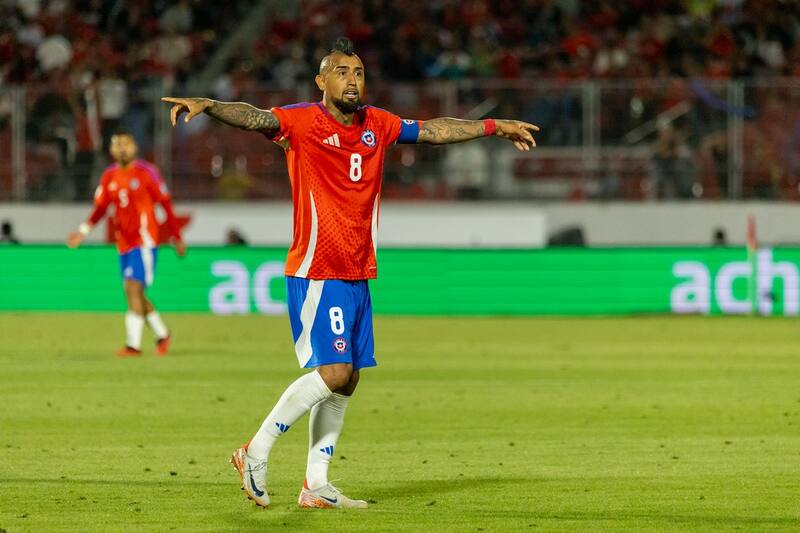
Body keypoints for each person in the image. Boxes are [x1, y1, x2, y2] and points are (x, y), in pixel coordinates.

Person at [162, 37, 538, 510]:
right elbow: (255, 116)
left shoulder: (376, 124)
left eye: (358, 72)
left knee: (350, 378)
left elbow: (435, 129)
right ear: (321, 81)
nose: (352, 80)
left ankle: (316, 485)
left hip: (358, 271)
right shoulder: (302, 122)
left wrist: (493, 125)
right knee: (334, 371)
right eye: (341, 72)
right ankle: (254, 452)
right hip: (319, 268)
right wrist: (211, 105)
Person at [67, 132, 186, 357]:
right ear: (112, 150)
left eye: (126, 144)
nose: (122, 149)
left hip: (145, 240)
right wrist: (82, 232)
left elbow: (166, 205)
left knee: (132, 287)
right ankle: (162, 334)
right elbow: (101, 209)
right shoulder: (109, 175)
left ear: (134, 148)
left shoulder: (147, 172)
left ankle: (133, 345)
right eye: (118, 144)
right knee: (136, 293)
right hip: (124, 243)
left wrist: (176, 237)